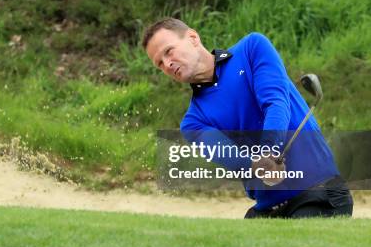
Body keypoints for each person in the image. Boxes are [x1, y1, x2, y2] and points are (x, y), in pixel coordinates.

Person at [142, 17, 353, 218]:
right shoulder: (193, 122)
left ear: (193, 38)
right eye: (159, 63)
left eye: (169, 51)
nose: (167, 64)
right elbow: (231, 156)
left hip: (318, 193)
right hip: (267, 209)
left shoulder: (252, 48)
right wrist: (258, 164)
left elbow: (275, 102)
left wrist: (269, 150)